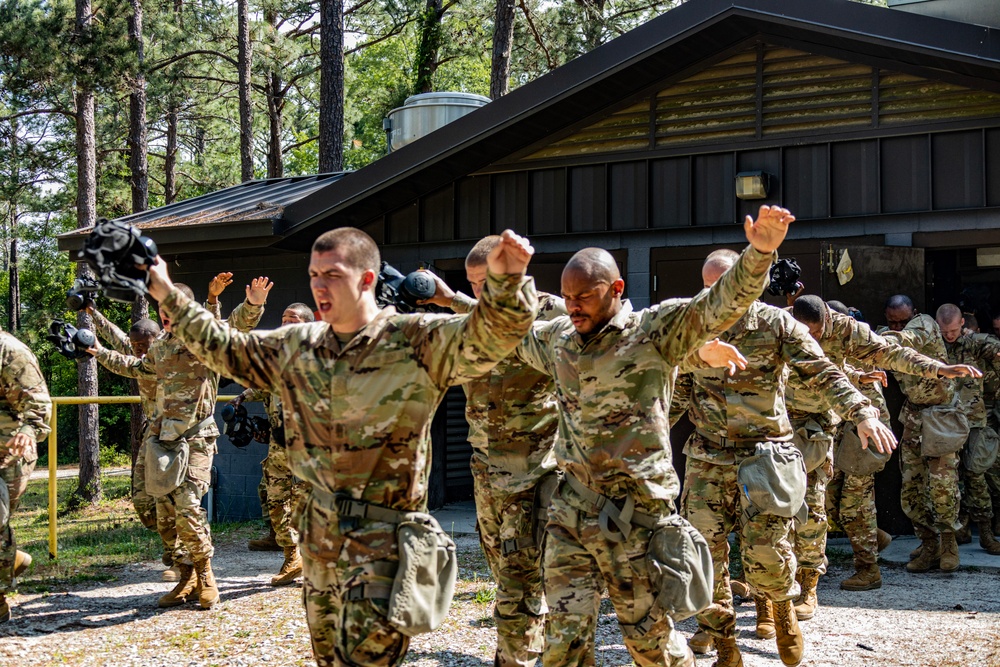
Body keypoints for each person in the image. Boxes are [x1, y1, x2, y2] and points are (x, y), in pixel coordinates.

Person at [143, 227, 538, 667]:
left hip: (385, 542)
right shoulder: (298, 344)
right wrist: (164, 288)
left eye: (331, 273)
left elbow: (494, 337)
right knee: (328, 658)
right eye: (314, 274)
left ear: (367, 279)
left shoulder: (415, 339)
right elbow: (223, 347)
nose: (318, 285)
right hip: (320, 536)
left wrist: (509, 280)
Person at [514, 206, 796, 667]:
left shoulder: (655, 331)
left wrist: (760, 252)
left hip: (635, 517)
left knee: (649, 643)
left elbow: (718, 304)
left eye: (585, 295)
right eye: (567, 297)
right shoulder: (558, 339)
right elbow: (508, 335)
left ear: (617, 288)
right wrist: (501, 284)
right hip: (571, 508)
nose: (574, 306)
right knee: (562, 642)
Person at [673, 261, 896, 667]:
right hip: (707, 456)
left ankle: (781, 609)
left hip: (764, 456)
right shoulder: (693, 324)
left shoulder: (778, 324)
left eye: (722, 286)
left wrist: (860, 411)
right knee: (705, 553)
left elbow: (821, 371)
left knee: (767, 549)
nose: (714, 296)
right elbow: (675, 393)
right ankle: (725, 642)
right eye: (707, 287)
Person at [419, 236, 565, 667]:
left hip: (537, 467)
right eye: (473, 285)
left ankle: (514, 654)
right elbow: (486, 317)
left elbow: (523, 329)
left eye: (488, 283)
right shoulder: (473, 318)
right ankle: (539, 641)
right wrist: (449, 300)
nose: (480, 293)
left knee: (520, 575)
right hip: (486, 466)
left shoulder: (552, 311)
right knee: (504, 569)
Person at [89, 276, 270, 609]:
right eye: (162, 308)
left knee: (187, 506)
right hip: (164, 439)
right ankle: (184, 576)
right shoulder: (159, 345)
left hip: (197, 437)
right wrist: (96, 351)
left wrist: (250, 303)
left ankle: (206, 576)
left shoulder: (203, 340)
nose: (165, 314)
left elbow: (234, 328)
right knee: (164, 514)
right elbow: (136, 367)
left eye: (171, 307)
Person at [790, 295, 980, 591]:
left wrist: (939, 369)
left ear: (832, 323)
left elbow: (894, 352)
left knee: (857, 505)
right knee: (828, 504)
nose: (814, 338)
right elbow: (826, 372)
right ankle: (872, 542)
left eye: (819, 332)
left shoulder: (856, 336)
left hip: (865, 432)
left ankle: (870, 568)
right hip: (829, 430)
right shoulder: (787, 330)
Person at [232, 302, 315, 586]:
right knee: (276, 497)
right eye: (282, 318)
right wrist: (243, 396)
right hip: (279, 444)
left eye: (291, 319)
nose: (284, 323)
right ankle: (292, 556)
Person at [881, 295, 964, 573]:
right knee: (912, 486)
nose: (898, 326)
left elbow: (905, 342)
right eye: (893, 322)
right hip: (914, 417)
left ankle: (949, 543)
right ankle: (929, 545)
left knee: (943, 485)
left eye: (903, 320)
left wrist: (876, 340)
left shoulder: (923, 324)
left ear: (914, 314)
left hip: (940, 415)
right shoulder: (888, 336)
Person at [88, 306, 165, 564]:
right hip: (152, 434)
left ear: (158, 339)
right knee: (143, 501)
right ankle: (175, 542)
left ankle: (181, 553)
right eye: (135, 345)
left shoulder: (162, 357)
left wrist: (97, 350)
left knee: (170, 498)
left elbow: (126, 364)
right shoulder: (138, 349)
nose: (139, 349)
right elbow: (119, 338)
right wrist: (92, 312)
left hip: (175, 436)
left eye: (144, 344)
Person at [935, 304, 1000, 555]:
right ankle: (956, 530)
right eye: (944, 331)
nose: (949, 335)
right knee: (949, 478)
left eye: (953, 330)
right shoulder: (933, 346)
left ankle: (985, 531)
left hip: (973, 420)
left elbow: (992, 347)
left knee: (976, 474)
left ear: (962, 323)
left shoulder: (973, 343)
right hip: (945, 420)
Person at [0, 327, 52, 623]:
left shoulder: (10, 352)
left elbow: (39, 404)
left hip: (10, 450)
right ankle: (14, 559)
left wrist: (28, 431)